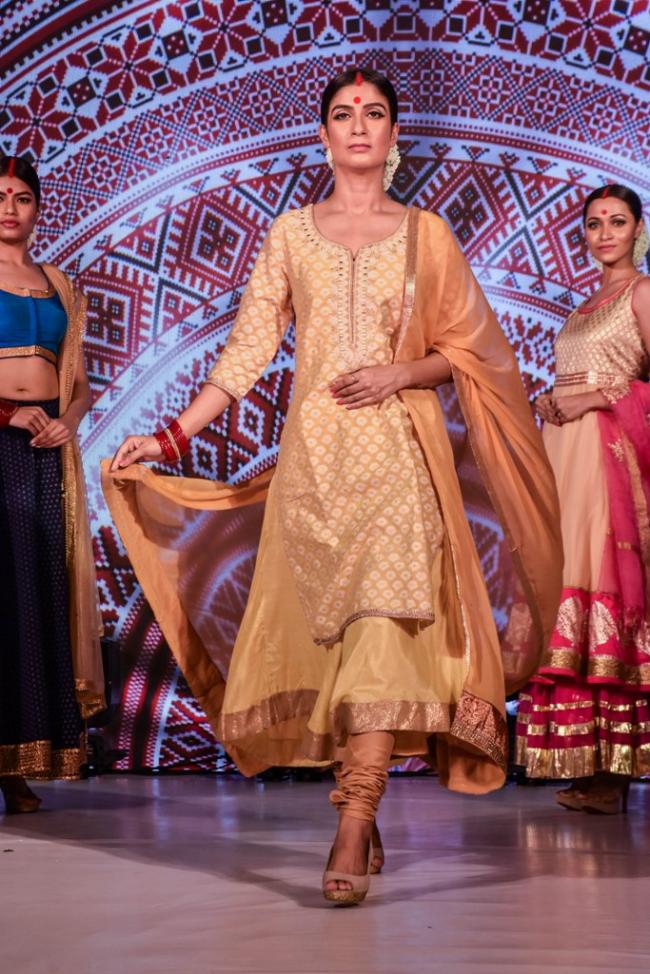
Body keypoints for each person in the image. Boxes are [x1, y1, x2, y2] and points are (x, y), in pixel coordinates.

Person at [106, 68, 561, 904]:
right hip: (313, 469)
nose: (359, 125)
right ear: (323, 137)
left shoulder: (427, 234)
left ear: (393, 136)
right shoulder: (289, 234)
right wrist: (170, 436)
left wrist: (401, 372)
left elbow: (476, 354)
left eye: (374, 113)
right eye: (344, 114)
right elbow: (246, 354)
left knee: (384, 632)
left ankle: (354, 818)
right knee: (333, 647)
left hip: (398, 463)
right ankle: (361, 789)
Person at [516, 184, 650, 813]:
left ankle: (615, 775)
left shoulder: (642, 293)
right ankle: (588, 763)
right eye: (594, 224)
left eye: (617, 222)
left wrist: (594, 398)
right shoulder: (582, 307)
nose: (605, 234)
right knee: (563, 579)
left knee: (601, 584)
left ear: (638, 230)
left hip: (606, 460)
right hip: (564, 456)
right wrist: (552, 399)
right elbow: (576, 379)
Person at [0, 156, 104, 813]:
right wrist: (7, 413)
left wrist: (68, 419)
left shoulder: (60, 284)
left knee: (33, 595)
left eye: (21, 198)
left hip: (44, 451)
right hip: (1, 438)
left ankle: (17, 762)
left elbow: (81, 383)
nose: (9, 209)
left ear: (38, 208)